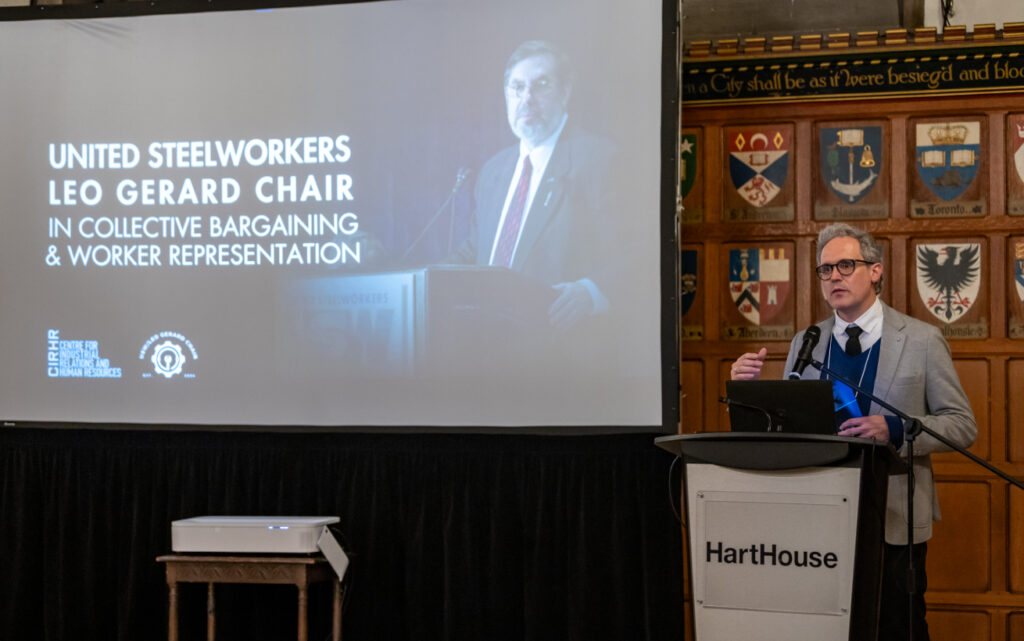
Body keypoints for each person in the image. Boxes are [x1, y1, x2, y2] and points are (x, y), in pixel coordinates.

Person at [730, 222, 977, 641]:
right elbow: (787, 428)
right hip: (820, 518)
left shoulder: (921, 340)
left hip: (894, 516)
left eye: (846, 265)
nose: (834, 277)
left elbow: (962, 424)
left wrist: (896, 428)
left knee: (897, 626)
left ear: (876, 271)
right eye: (826, 270)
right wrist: (745, 391)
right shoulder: (807, 341)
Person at [452, 40, 624, 332]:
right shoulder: (493, 171)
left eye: (541, 85)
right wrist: (419, 276)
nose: (527, 98)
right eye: (517, 88)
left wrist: (592, 291)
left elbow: (636, 251)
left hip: (558, 344)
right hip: (485, 342)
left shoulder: (599, 159)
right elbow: (475, 251)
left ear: (565, 92)